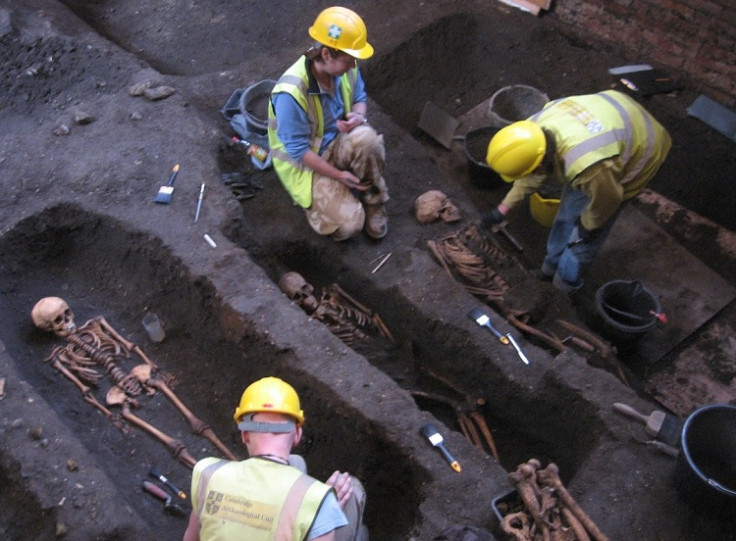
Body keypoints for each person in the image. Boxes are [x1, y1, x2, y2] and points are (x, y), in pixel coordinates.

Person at [481, 89, 671, 293]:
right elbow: (531, 176)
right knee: (566, 217)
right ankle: (549, 270)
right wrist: (502, 209)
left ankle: (563, 289)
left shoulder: (589, 166)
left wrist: (587, 226)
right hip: (611, 119)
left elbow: (609, 199)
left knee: (582, 242)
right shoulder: (533, 131)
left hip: (645, 147)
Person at [182, 376, 368, 541]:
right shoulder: (320, 501)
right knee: (354, 496)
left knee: (297, 463)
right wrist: (324, 512)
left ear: (245, 434)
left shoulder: (208, 474)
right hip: (313, 510)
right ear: (297, 434)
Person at [267, 6, 389, 241]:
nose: (353, 65)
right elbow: (298, 151)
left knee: (368, 140)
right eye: (349, 60)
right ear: (326, 55)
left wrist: (359, 117)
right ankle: (318, 207)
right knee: (351, 225)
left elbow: (359, 99)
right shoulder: (291, 94)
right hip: (305, 163)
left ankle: (374, 201)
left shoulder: (346, 69)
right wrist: (338, 175)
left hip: (336, 142)